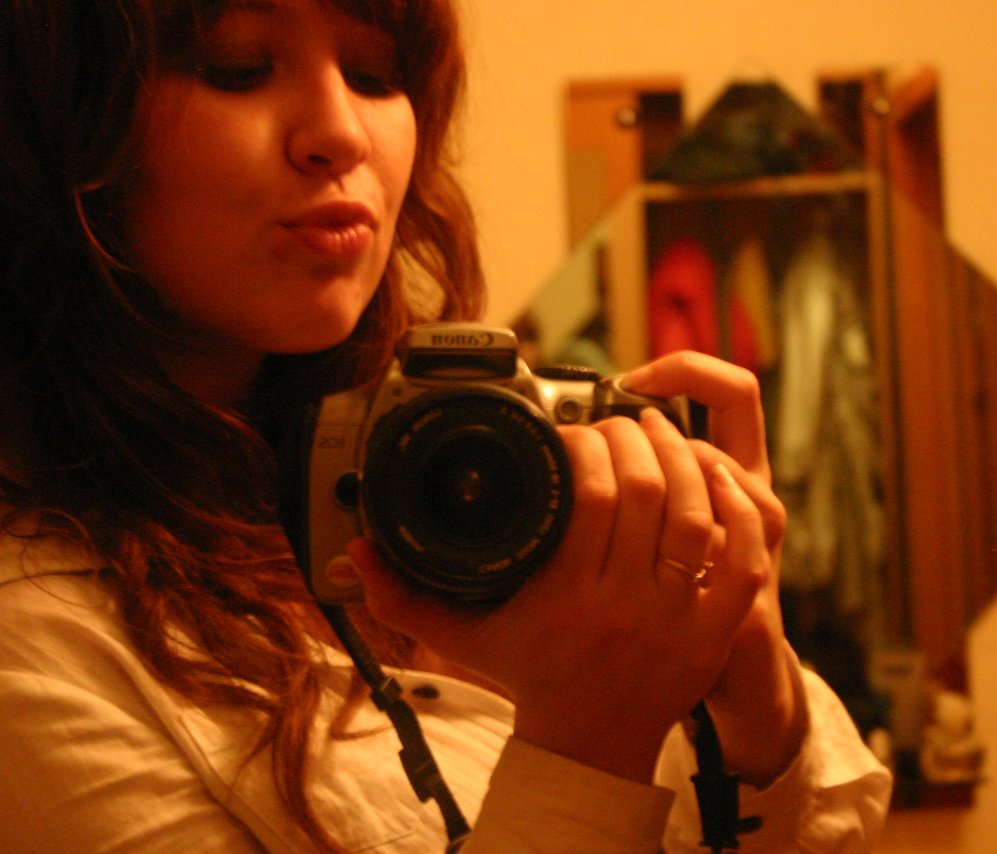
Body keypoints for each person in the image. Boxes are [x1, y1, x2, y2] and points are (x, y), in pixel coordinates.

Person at [0, 0, 892, 851]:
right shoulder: (33, 647)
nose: (343, 132)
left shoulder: (491, 490)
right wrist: (588, 745)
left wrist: (753, 689)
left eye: (375, 74)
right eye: (236, 65)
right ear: (58, 124)